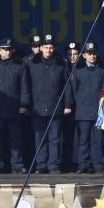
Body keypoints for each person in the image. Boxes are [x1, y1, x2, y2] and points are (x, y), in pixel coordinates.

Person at [27, 34, 70, 174]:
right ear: (40, 48)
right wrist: (27, 104)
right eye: (46, 47)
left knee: (55, 138)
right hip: (37, 107)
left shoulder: (61, 63)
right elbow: (26, 85)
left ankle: (53, 165)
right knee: (39, 138)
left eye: (51, 47)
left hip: (55, 106)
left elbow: (67, 85)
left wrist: (67, 105)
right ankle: (41, 165)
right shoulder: (32, 63)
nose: (48, 50)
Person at [0, 38, 30, 174]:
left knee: (16, 138)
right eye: (4, 49)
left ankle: (17, 164)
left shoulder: (19, 65)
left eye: (9, 49)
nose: (7, 52)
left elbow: (25, 86)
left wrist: (24, 104)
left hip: (14, 107)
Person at [66, 42, 104, 173]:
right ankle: (83, 165)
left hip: (98, 111)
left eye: (94, 53)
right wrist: (79, 104)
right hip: (83, 111)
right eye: (89, 54)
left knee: (98, 140)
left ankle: (98, 165)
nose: (92, 56)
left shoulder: (101, 71)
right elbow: (73, 90)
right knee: (83, 140)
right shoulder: (78, 71)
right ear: (84, 55)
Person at [63, 41, 81, 171]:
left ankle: (80, 162)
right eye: (70, 54)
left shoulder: (82, 67)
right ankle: (67, 162)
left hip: (81, 107)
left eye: (75, 54)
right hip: (67, 107)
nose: (72, 57)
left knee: (82, 137)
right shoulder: (63, 67)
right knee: (67, 136)